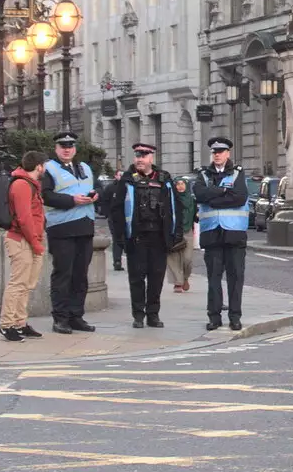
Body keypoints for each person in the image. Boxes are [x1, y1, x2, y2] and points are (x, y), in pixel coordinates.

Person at [100, 143, 184, 329]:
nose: (140, 159)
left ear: (151, 158)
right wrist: (120, 236)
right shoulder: (128, 179)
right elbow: (117, 210)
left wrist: (176, 233)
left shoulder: (164, 178)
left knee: (156, 277)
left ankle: (153, 314)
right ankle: (138, 315)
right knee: (137, 278)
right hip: (136, 237)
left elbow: (175, 207)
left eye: (144, 156)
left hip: (159, 237)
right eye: (137, 155)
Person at [40, 132, 98, 334]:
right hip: (62, 228)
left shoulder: (85, 168)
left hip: (85, 226)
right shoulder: (49, 169)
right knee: (63, 274)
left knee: (80, 275)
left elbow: (92, 187)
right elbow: (45, 196)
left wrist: (94, 195)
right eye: (63, 146)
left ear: (75, 148)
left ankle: (76, 315)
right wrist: (72, 201)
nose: (67, 149)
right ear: (56, 149)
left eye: (70, 146)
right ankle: (60, 318)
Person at [192, 137, 250, 331]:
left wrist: (214, 198)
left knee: (235, 277)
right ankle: (214, 317)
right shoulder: (203, 175)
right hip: (212, 234)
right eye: (215, 152)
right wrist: (223, 193)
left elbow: (240, 197)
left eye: (221, 151)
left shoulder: (238, 174)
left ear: (228, 154)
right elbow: (200, 194)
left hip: (234, 234)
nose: (217, 155)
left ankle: (235, 316)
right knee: (214, 278)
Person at [0, 151, 49, 342]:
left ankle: (19, 323)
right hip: (20, 239)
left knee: (27, 285)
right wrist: (35, 243)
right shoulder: (21, 184)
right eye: (45, 165)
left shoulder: (31, 184)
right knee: (18, 284)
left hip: (30, 239)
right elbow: (24, 218)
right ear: (39, 166)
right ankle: (6, 324)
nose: (45, 168)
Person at [168, 171, 199, 293]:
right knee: (173, 258)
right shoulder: (171, 200)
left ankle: (185, 277)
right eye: (177, 184)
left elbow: (196, 217)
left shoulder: (192, 200)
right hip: (173, 231)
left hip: (187, 231)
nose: (180, 186)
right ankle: (178, 282)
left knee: (187, 259)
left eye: (182, 184)